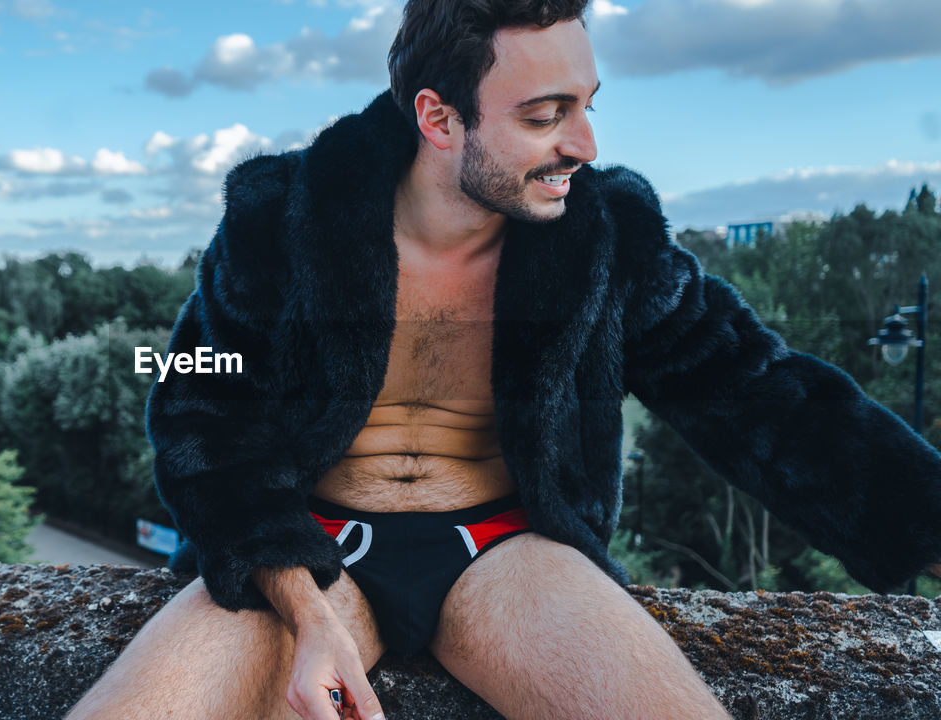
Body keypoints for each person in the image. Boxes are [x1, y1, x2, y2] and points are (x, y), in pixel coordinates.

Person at [66, 1, 941, 718]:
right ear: (439, 118)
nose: (585, 145)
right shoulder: (282, 215)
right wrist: (297, 600)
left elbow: (758, 392)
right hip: (306, 551)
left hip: (506, 555)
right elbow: (190, 396)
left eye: (589, 102)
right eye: (545, 115)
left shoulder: (603, 236)